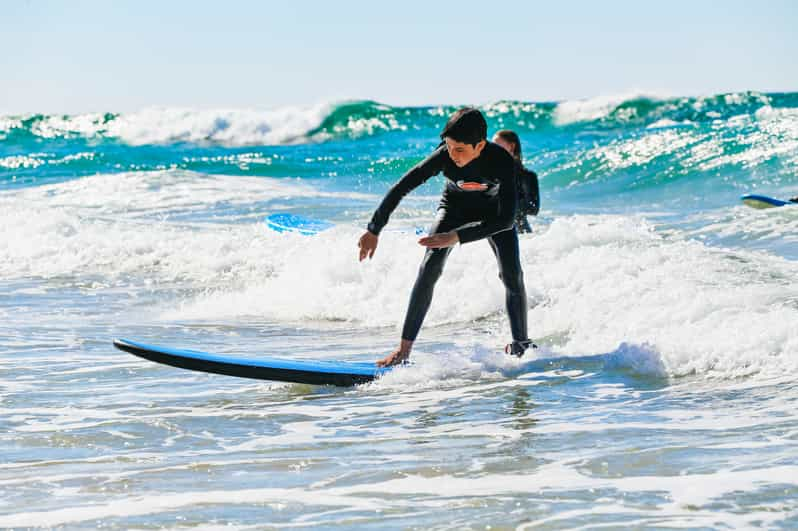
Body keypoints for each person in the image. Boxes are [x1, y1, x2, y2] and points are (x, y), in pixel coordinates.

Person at [358, 108, 533, 367]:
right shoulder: (444, 155)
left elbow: (506, 220)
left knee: (512, 274)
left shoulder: (502, 162)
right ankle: (403, 351)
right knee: (429, 266)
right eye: (449, 147)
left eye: (460, 149)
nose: (453, 155)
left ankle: (521, 345)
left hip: (493, 214)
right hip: (454, 209)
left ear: (480, 145)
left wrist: (458, 237)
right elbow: (402, 187)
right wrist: (374, 228)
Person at [492, 130, 539, 233]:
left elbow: (534, 210)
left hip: (523, 235)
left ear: (512, 147)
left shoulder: (528, 176)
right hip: (495, 233)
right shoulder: (491, 174)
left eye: (497, 146)